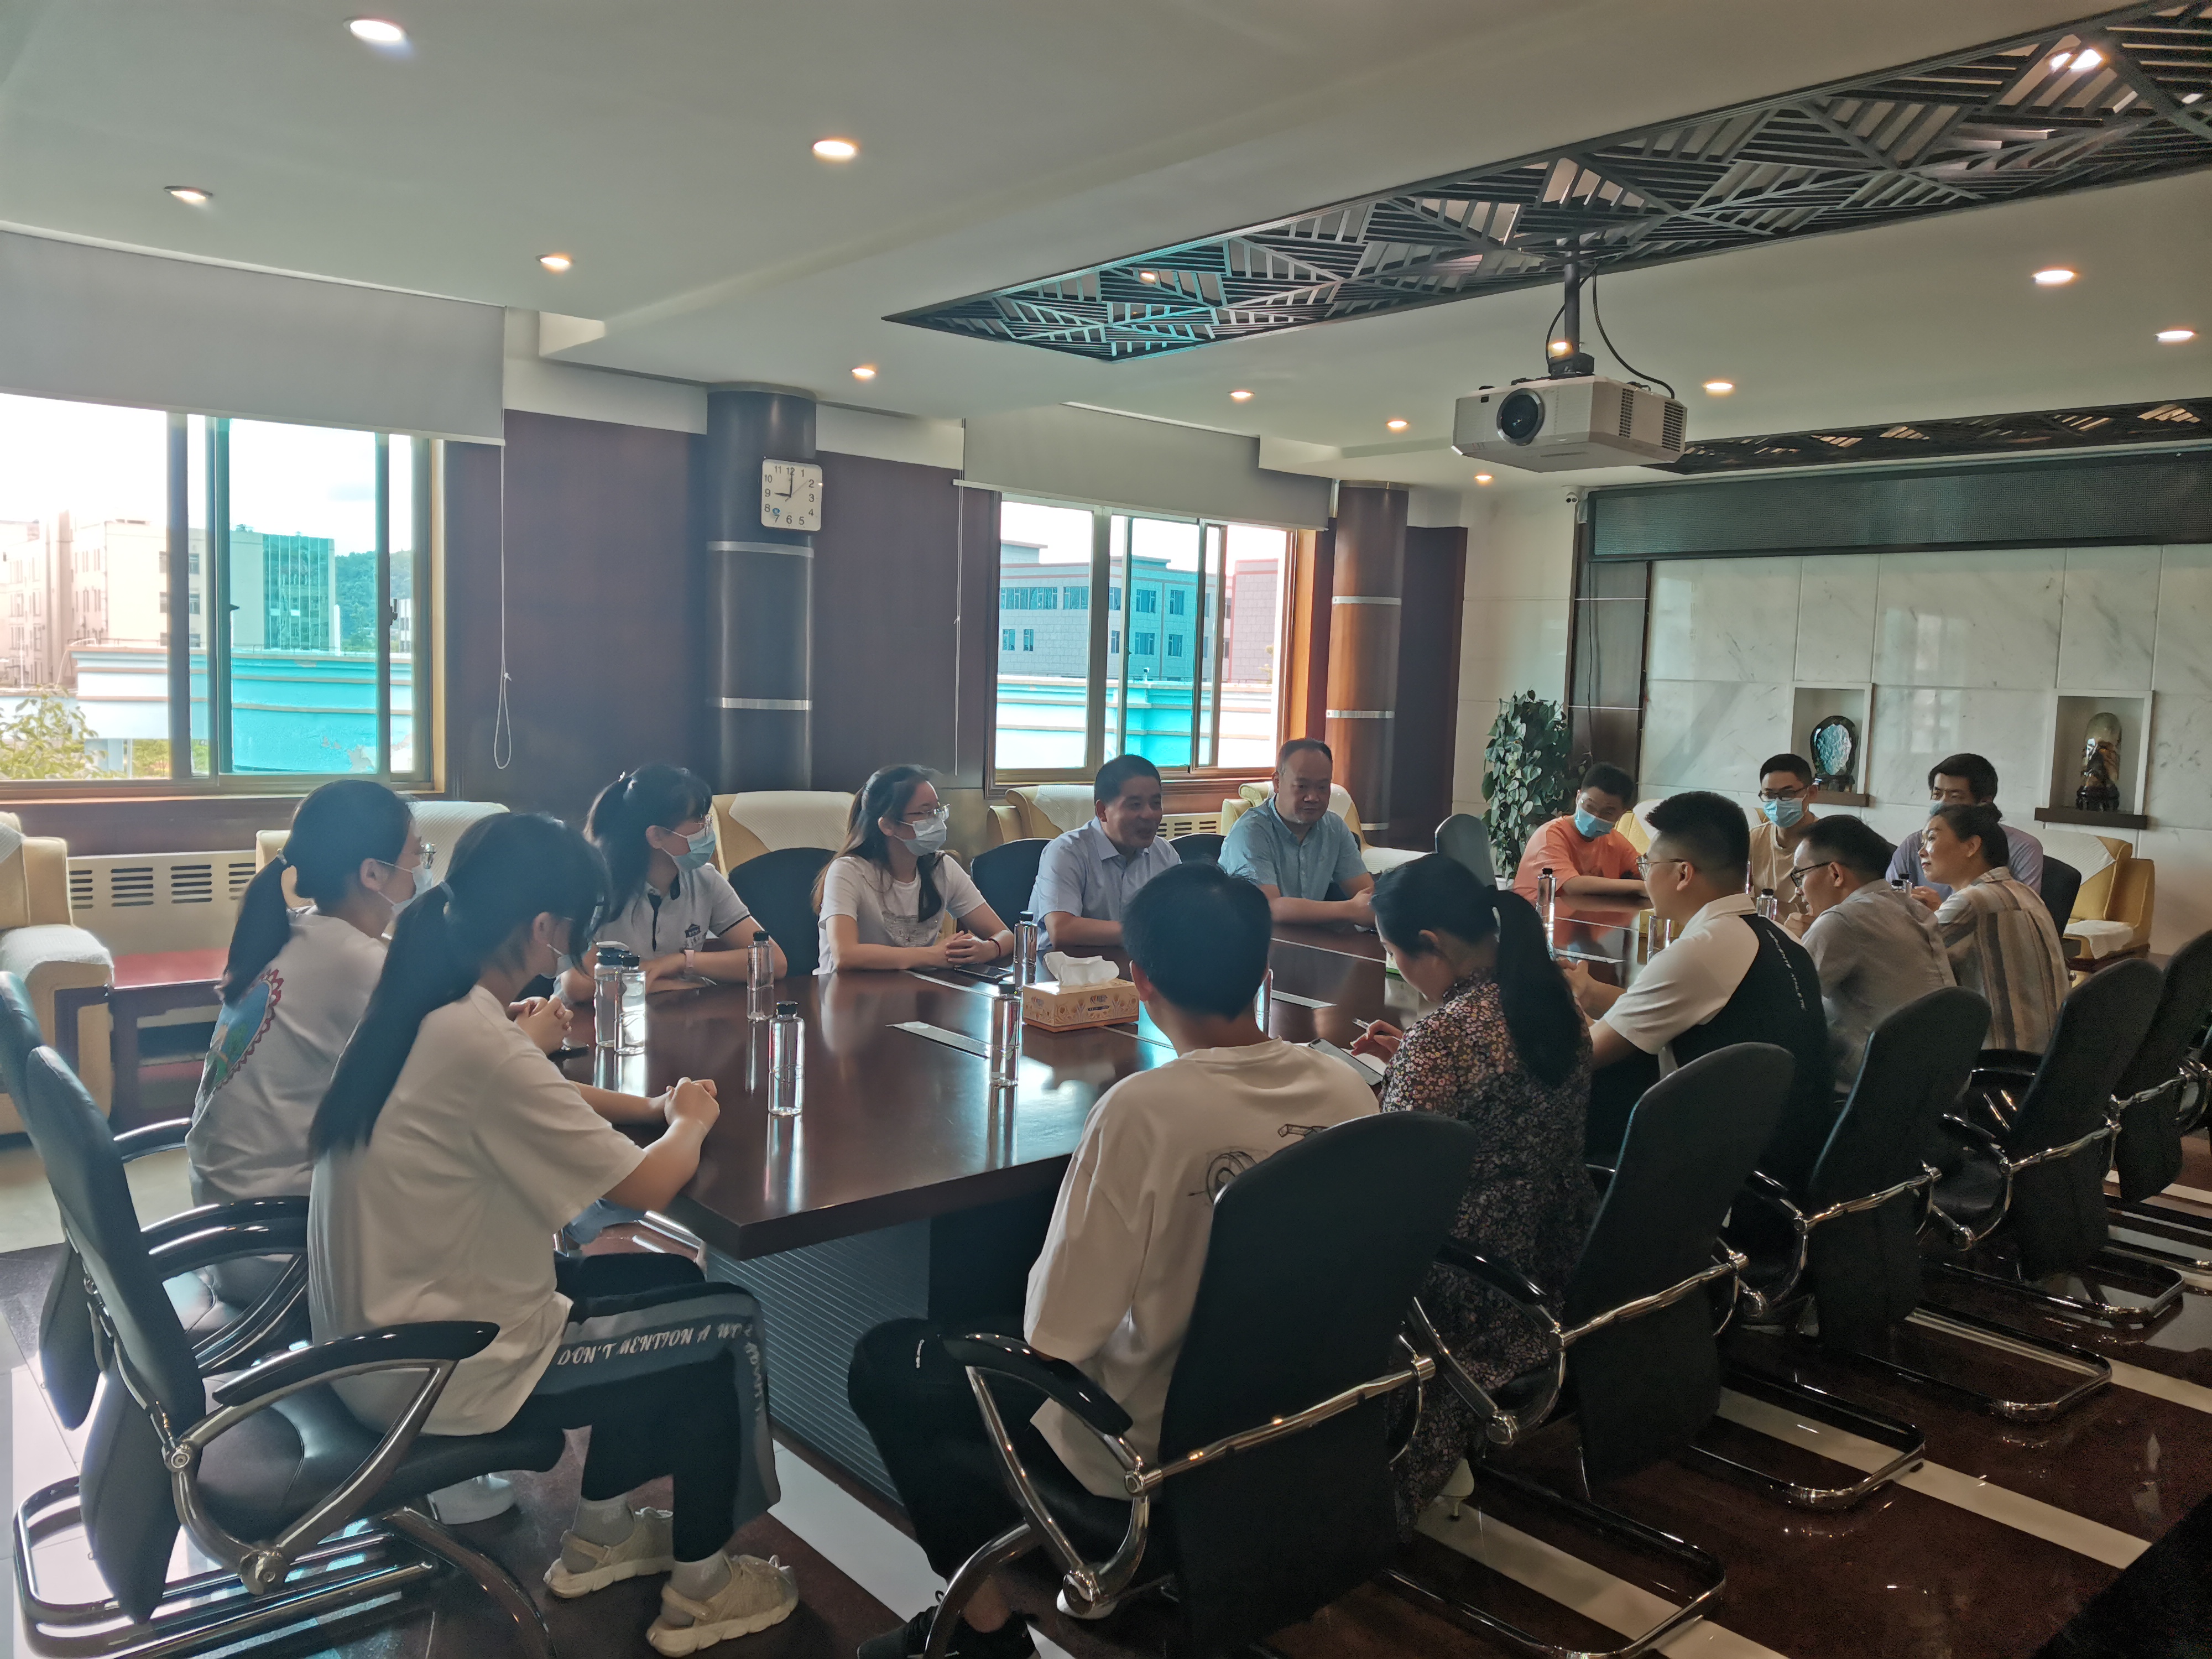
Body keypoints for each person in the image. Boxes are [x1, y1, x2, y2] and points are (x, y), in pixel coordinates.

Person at [847, 864, 1375, 1659]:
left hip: (1147, 1445)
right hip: (1307, 1410)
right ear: (1264, 970)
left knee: (888, 1363)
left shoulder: (1144, 1111)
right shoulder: (1347, 1089)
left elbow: (1055, 1334)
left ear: (1141, 980)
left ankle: (983, 1634)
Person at [309, 813, 793, 1655]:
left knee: (671, 1290)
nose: (581, 944)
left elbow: (530, 1087)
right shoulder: (477, 1037)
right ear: (543, 926)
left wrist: (651, 1106)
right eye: (580, 924)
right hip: (441, 1365)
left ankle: (603, 1532)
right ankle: (704, 1588)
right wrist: (689, 1121)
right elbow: (643, 1187)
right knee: (724, 1329)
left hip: (377, 1339)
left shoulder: (427, 1004)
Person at [1350, 856, 1593, 1529]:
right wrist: (1414, 1059)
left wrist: (1400, 1075)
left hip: (1462, 1285)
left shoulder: (1445, 1038)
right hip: (1556, 1254)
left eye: (1395, 953)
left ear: (1430, 943)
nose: (1398, 968)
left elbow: (1391, 1178)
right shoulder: (1551, 999)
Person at [1563, 790, 1834, 1191]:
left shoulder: (1702, 950)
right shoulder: (1774, 935)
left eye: (1647, 864)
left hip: (1732, 1175)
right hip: (1792, 1151)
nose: (1644, 876)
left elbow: (1585, 1053)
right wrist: (1590, 991)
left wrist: (1562, 1007)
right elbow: (1670, 1007)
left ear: (1683, 873)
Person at [190, 780, 425, 1218]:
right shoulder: (355, 961)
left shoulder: (294, 928)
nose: (422, 869)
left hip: (225, 1198)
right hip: (274, 1222)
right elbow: (449, 1059)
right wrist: (525, 1036)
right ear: (372, 873)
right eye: (417, 854)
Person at [567, 765, 785, 997]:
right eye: (699, 819)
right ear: (657, 836)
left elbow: (774, 962)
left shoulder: (706, 879)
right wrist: (661, 985)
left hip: (674, 1013)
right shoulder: (599, 887)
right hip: (595, 1017)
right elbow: (576, 984)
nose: (708, 827)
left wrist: (681, 962)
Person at [1786, 816, 1954, 1086]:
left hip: (1876, 1090)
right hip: (1940, 1085)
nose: (1798, 892)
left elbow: (1785, 1007)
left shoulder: (1843, 920)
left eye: (1801, 875)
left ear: (1835, 874)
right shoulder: (1913, 909)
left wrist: (1791, 945)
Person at [815, 765, 1015, 973]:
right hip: (843, 990)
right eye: (925, 813)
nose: (937, 821)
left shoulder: (942, 867)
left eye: (937, 810)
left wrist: (989, 949)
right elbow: (845, 955)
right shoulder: (848, 871)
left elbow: (1006, 935)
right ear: (888, 825)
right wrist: (933, 956)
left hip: (913, 988)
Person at [1919, 804, 2069, 1053]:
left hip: (2000, 1059)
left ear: (1971, 846)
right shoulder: (2023, 892)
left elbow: (1903, 958)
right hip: (2048, 1054)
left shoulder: (1972, 902)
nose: (1922, 851)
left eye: (1932, 838)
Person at [1027, 753, 1180, 952]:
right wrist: (1147, 932)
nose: (1149, 814)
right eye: (1135, 805)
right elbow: (1062, 930)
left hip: (1131, 965)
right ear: (1102, 811)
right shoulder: (1066, 852)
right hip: (1060, 967)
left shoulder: (1164, 854)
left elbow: (1182, 917)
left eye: (1155, 804)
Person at [1220, 738, 1375, 925]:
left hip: (1309, 938)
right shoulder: (1250, 832)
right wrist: (1350, 910)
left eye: (1322, 787)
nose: (1313, 797)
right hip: (1253, 937)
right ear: (1277, 783)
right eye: (1302, 786)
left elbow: (1367, 896)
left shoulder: (1334, 827)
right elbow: (1268, 908)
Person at [1886, 753, 2045, 902]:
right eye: (1937, 794)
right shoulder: (1914, 844)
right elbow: (1890, 899)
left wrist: (1942, 912)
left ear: (1984, 802)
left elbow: (2019, 909)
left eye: (1955, 796)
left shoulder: (2023, 848)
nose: (1943, 803)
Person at [1511, 762, 1646, 907]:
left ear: (1621, 814)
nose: (1595, 816)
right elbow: (1572, 885)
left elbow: (1647, 872)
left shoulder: (1614, 841)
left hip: (1586, 919)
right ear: (1578, 797)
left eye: (1607, 812)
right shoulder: (1549, 836)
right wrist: (1639, 887)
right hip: (1536, 918)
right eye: (1590, 806)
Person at [1748, 753, 1820, 920]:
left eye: (1787, 794)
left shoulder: (1827, 843)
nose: (1777, 802)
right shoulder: (1754, 839)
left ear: (1811, 793)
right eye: (1770, 795)